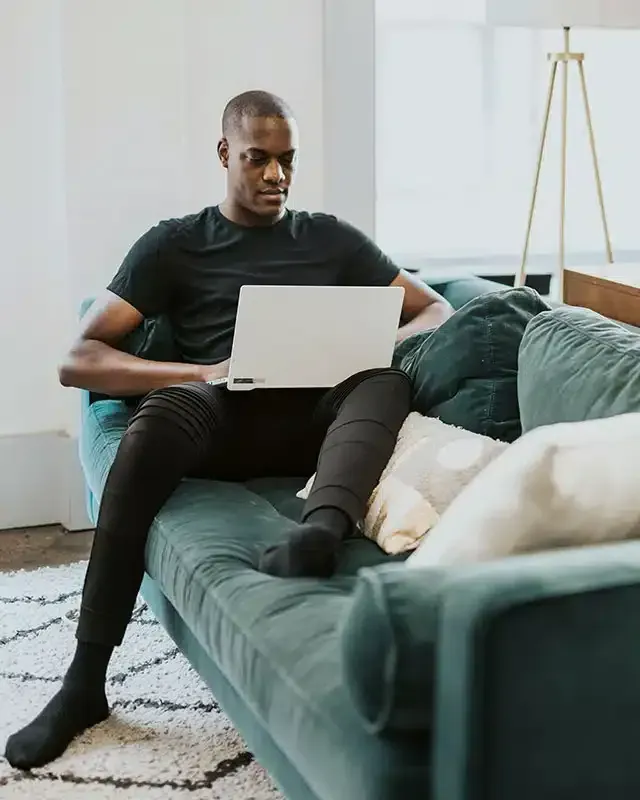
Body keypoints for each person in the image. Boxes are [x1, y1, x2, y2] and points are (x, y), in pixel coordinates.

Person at [4, 90, 453, 770]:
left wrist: (370, 348)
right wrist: (199, 372)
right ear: (224, 154)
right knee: (154, 425)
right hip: (217, 414)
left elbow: (436, 310)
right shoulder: (173, 244)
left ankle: (320, 533)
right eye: (258, 159)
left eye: (288, 161)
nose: (276, 176)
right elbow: (80, 359)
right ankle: (85, 679)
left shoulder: (331, 238)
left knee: (383, 383)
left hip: (314, 424)